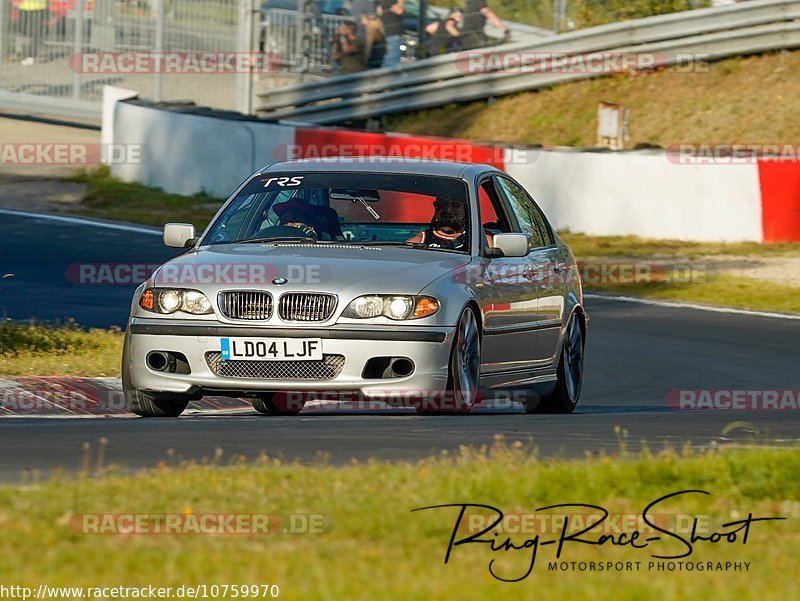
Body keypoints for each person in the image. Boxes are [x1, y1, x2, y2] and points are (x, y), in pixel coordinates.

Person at [377, 0, 404, 68]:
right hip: (384, 35)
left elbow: (399, 10)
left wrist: (399, 5)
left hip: (391, 34)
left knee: (391, 64)